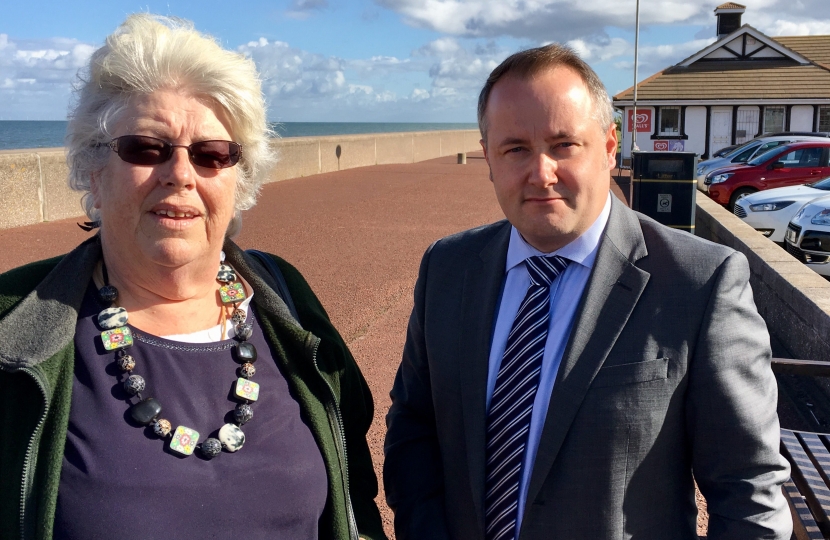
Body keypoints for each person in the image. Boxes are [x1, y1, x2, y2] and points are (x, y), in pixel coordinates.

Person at [0, 14, 385, 540]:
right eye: (146, 148)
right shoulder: (14, 322)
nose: (180, 174)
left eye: (211, 155)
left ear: (239, 179)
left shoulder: (287, 301)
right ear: (94, 167)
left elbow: (354, 495)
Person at [383, 44, 791, 539]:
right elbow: (413, 430)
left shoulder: (700, 283)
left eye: (563, 145)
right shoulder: (447, 269)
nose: (541, 173)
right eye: (515, 148)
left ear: (609, 146)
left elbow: (748, 489)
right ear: (487, 157)